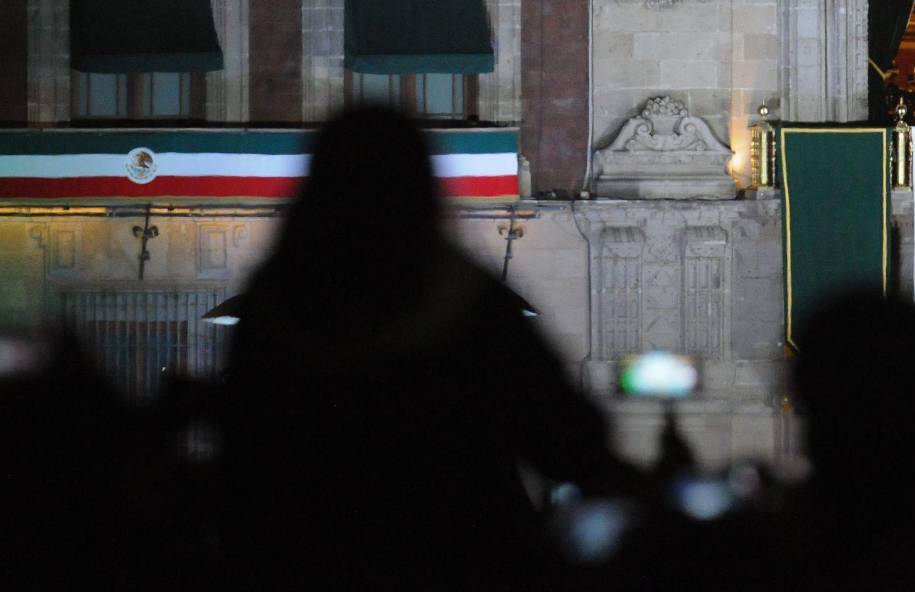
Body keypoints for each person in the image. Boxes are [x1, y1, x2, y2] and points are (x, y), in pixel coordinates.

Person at [217, 106, 630, 590]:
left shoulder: (274, 306)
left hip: (311, 559)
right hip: (463, 558)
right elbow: (564, 436)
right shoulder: (468, 303)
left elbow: (244, 458)